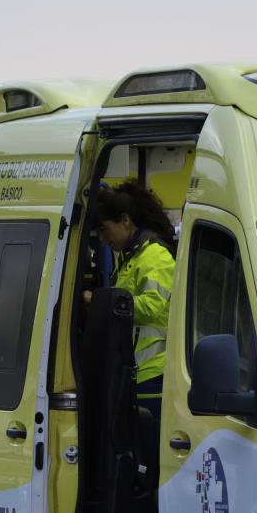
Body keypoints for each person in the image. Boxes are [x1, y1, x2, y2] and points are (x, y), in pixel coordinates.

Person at [84, 179, 177, 422]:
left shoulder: (155, 255)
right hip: (133, 373)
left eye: (104, 230)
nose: (103, 239)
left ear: (125, 220)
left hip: (152, 376)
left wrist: (103, 301)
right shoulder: (129, 258)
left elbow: (153, 305)